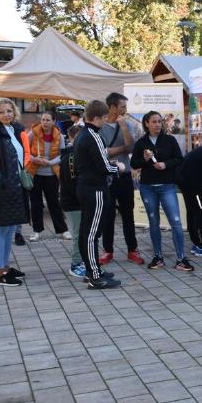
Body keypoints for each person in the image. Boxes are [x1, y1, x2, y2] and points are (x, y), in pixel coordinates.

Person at [130, 111, 193, 272]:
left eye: (159, 121)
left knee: (176, 222)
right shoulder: (141, 142)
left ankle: (181, 258)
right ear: (146, 124)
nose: (158, 124)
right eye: (154, 122)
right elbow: (134, 163)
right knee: (153, 223)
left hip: (167, 186)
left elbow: (179, 159)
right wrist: (144, 159)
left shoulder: (169, 140)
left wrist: (165, 165)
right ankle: (158, 256)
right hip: (147, 187)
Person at [74, 100, 125, 289]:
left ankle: (93, 270)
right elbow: (103, 166)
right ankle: (94, 275)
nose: (105, 121)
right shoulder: (93, 135)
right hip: (94, 188)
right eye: (104, 118)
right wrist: (117, 167)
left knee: (89, 232)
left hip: (87, 187)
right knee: (91, 234)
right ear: (96, 118)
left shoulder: (82, 134)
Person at [0, 98, 30, 286]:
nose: (6, 114)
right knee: (1, 230)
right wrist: (3, 180)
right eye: (2, 112)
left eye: (9, 111)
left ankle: (5, 266)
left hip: (15, 188)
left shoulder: (15, 130)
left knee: (9, 230)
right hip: (1, 189)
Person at [98, 93, 145, 265]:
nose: (125, 110)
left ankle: (132, 250)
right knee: (108, 216)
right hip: (107, 177)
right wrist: (121, 148)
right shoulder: (101, 126)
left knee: (128, 215)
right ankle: (107, 251)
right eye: (122, 107)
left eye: (125, 107)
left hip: (124, 177)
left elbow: (131, 146)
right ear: (111, 107)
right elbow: (103, 152)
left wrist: (124, 127)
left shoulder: (128, 124)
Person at [27, 111, 71, 242]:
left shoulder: (60, 136)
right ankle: (36, 231)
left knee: (54, 203)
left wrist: (50, 162)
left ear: (54, 121)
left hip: (51, 173)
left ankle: (63, 230)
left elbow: (62, 155)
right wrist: (34, 159)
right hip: (35, 173)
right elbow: (25, 152)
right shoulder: (32, 133)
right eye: (43, 120)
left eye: (47, 120)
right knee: (36, 203)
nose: (44, 123)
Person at [60, 124, 86, 278]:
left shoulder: (76, 154)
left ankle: (81, 261)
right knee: (78, 233)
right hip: (73, 201)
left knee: (82, 232)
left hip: (77, 199)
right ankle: (75, 263)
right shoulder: (71, 156)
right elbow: (72, 182)